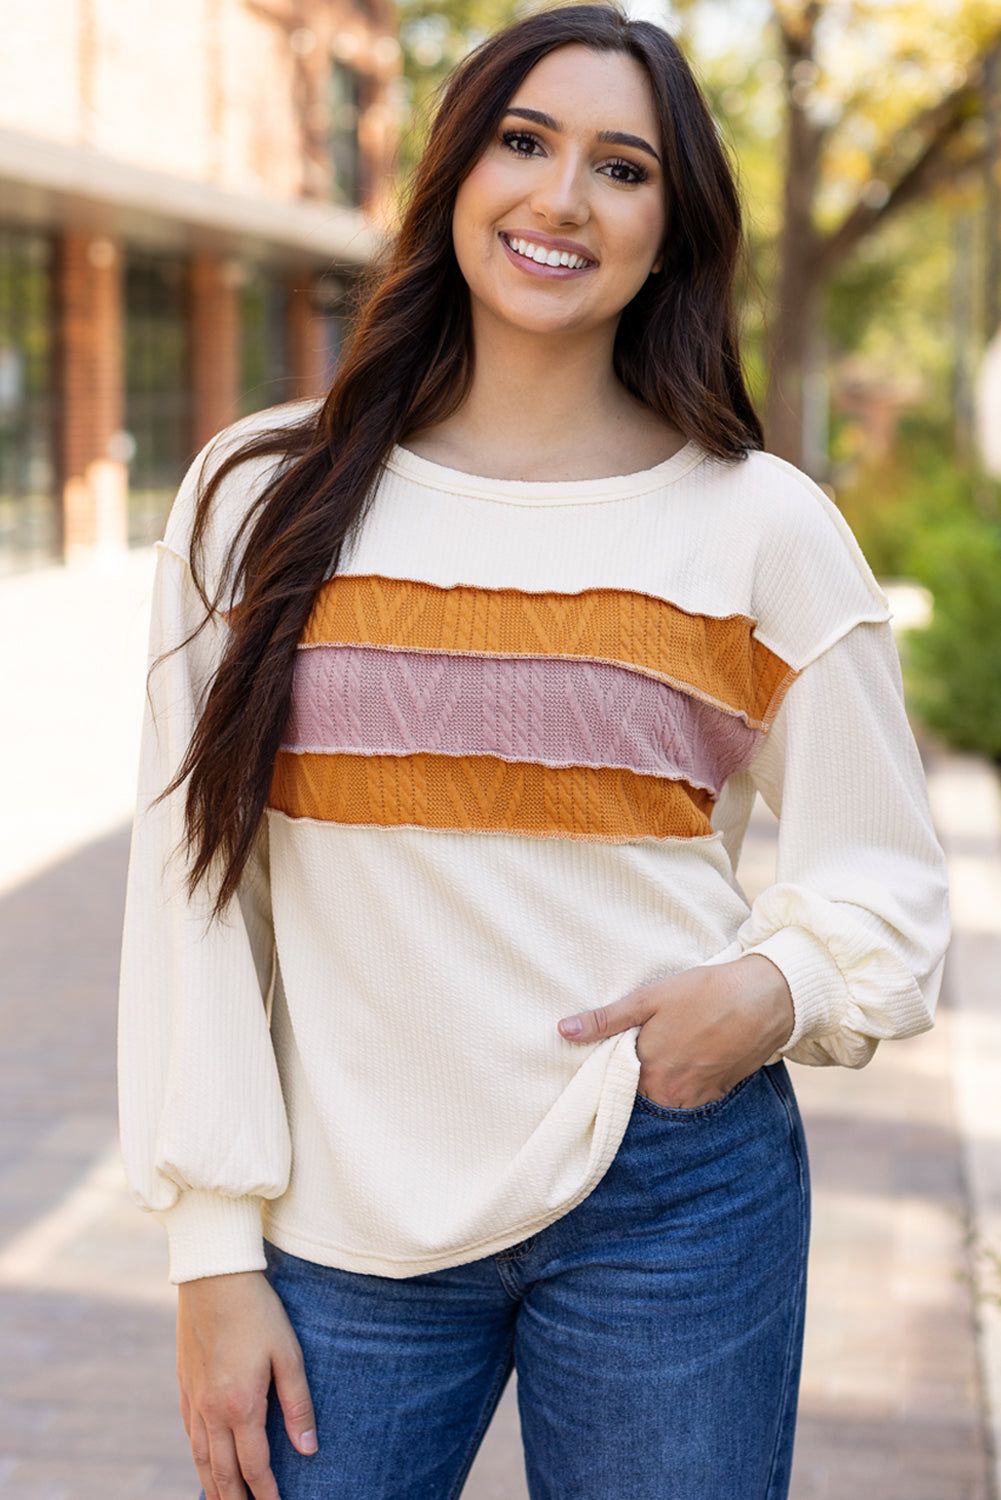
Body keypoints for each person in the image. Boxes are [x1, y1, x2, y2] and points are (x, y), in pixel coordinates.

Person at [118, 7, 950, 1499]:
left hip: (671, 1193)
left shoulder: (759, 525)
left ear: (670, 230)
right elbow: (194, 894)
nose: (562, 198)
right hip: (338, 1214)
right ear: (455, 173)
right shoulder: (258, 499)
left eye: (621, 168)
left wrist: (773, 991)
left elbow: (887, 882)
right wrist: (209, 1255)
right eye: (523, 142)